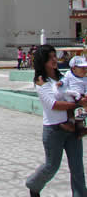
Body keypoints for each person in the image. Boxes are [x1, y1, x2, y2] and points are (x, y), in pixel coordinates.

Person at [25, 44, 87, 197]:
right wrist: (78, 103)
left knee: (77, 167)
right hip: (54, 130)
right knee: (52, 166)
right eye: (51, 57)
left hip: (72, 129)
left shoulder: (63, 77)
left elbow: (75, 93)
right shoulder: (41, 81)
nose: (55, 59)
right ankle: (34, 184)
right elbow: (54, 105)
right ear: (43, 60)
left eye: (55, 56)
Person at [57, 56, 87, 137]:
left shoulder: (85, 79)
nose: (85, 70)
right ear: (73, 68)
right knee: (70, 110)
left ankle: (81, 129)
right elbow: (64, 80)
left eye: (85, 68)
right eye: (82, 68)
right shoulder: (69, 74)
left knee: (81, 112)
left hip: (81, 97)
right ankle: (71, 123)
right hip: (71, 95)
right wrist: (61, 83)